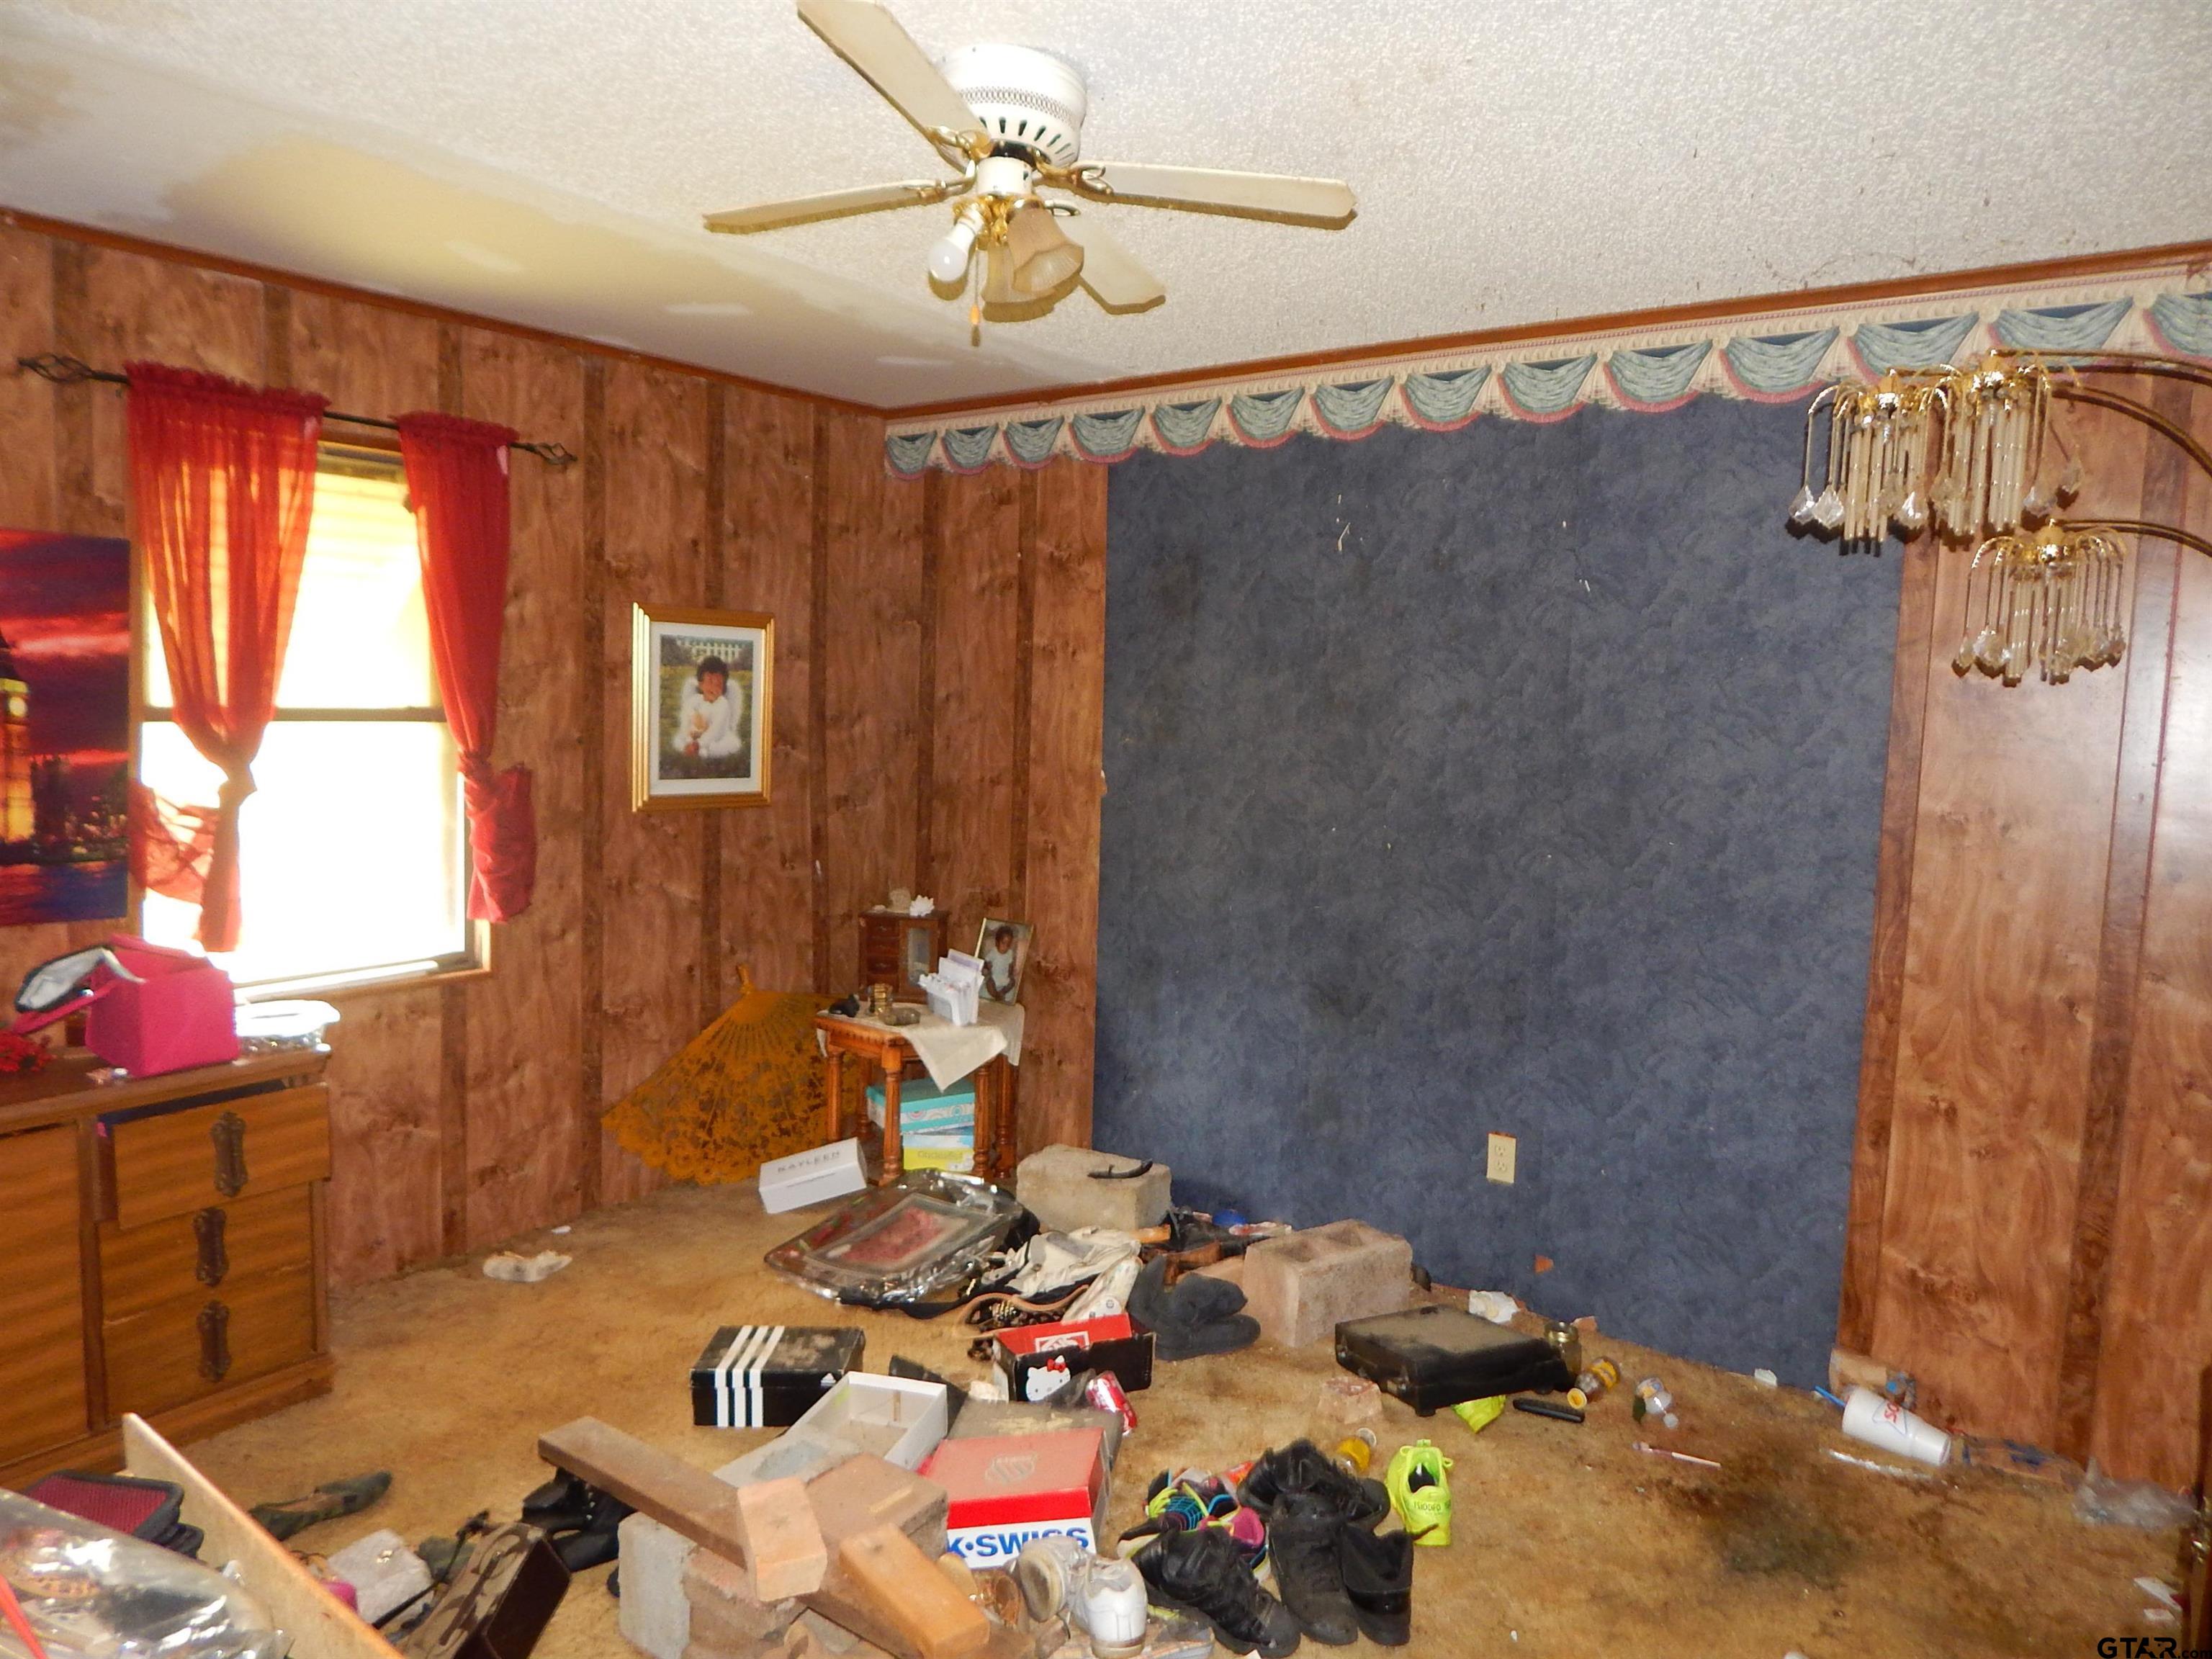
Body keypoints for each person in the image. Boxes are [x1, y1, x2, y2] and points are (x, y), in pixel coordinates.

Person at [679, 655, 745, 760]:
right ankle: (694, 749)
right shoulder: (695, 700)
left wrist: (699, 744)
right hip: (696, 735)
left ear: (724, 688)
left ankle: (701, 751)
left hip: (718, 738)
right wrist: (690, 738)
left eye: (718, 684)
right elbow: (686, 719)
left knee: (730, 745)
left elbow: (716, 730)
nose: (714, 687)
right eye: (710, 681)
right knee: (679, 741)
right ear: (701, 685)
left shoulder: (723, 704)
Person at [981, 924, 1020, 1002]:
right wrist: (987, 967)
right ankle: (996, 995)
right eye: (1003, 943)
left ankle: (1002, 992)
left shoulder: (1010, 953)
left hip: (1004, 977)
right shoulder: (993, 952)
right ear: (997, 943)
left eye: (1008, 944)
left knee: (1013, 982)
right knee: (989, 983)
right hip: (994, 978)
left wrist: (1011, 974)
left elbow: (1010, 965)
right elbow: (986, 961)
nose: (1005, 947)